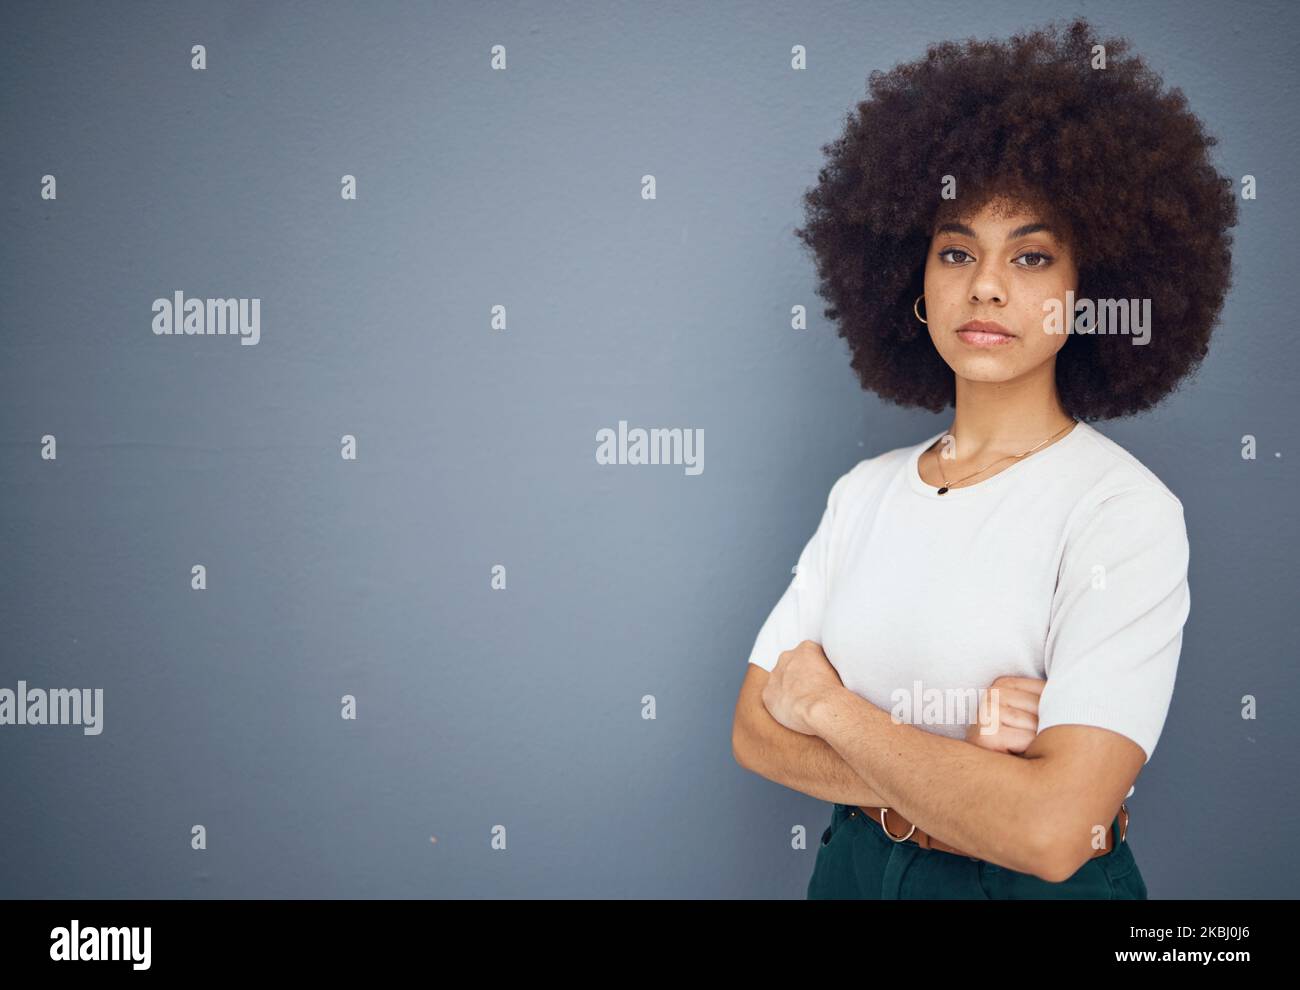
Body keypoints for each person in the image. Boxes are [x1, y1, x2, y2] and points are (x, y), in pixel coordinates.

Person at [731, 17, 1237, 899]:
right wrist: (967, 776)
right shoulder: (863, 494)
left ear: (1090, 294)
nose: (989, 285)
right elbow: (751, 734)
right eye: (956, 250)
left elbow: (1048, 834)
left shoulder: (1123, 512)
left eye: (1032, 256)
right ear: (913, 284)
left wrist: (829, 710)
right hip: (852, 874)